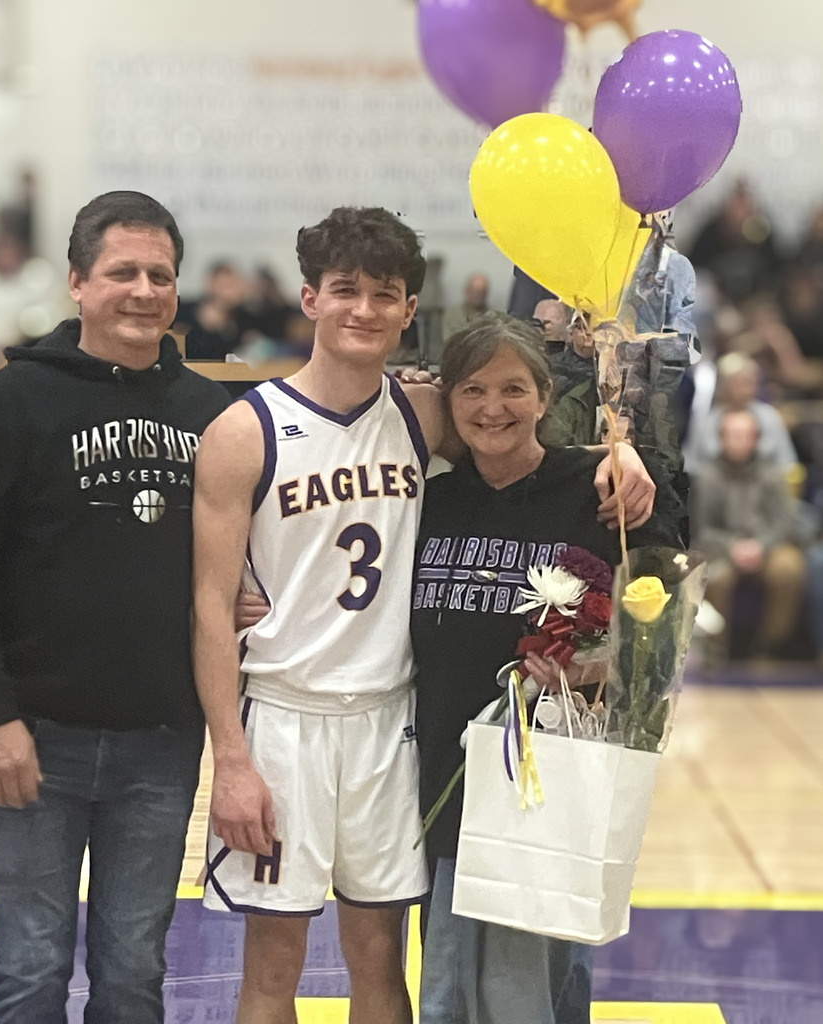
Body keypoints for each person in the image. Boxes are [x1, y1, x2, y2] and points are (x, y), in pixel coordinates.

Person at [193, 205, 658, 1024]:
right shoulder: (245, 430)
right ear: (309, 299)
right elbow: (204, 603)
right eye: (345, 291)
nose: (364, 310)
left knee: (381, 966)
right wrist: (228, 760)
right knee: (272, 970)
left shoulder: (422, 414)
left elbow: (517, 428)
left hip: (387, 722)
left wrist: (615, 451)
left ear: (410, 310)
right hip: (283, 719)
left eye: (385, 295)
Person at [0, 191, 230, 1023]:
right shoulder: (7, 405)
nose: (143, 290)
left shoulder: (211, 414)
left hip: (161, 745)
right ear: (77, 284)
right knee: (29, 972)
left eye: (160, 274)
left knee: (133, 976)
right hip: (34, 741)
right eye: (121, 271)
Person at [410, 313, 683, 1024]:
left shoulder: (596, 493)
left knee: (528, 990)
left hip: (549, 784)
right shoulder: (428, 503)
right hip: (443, 768)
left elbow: (662, 603)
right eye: (471, 389)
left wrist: (603, 660)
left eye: (511, 388)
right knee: (444, 983)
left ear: (541, 396)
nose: (491, 408)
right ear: (447, 400)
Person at [692, 408, 806, 663]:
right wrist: (733, 546)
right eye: (732, 434)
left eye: (745, 435)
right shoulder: (707, 477)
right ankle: (717, 650)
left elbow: (783, 522)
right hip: (722, 547)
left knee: (789, 568)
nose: (738, 440)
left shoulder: (772, 474)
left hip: (767, 546)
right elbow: (703, 527)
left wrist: (759, 546)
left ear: (756, 438)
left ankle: (767, 648)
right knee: (714, 575)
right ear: (721, 438)